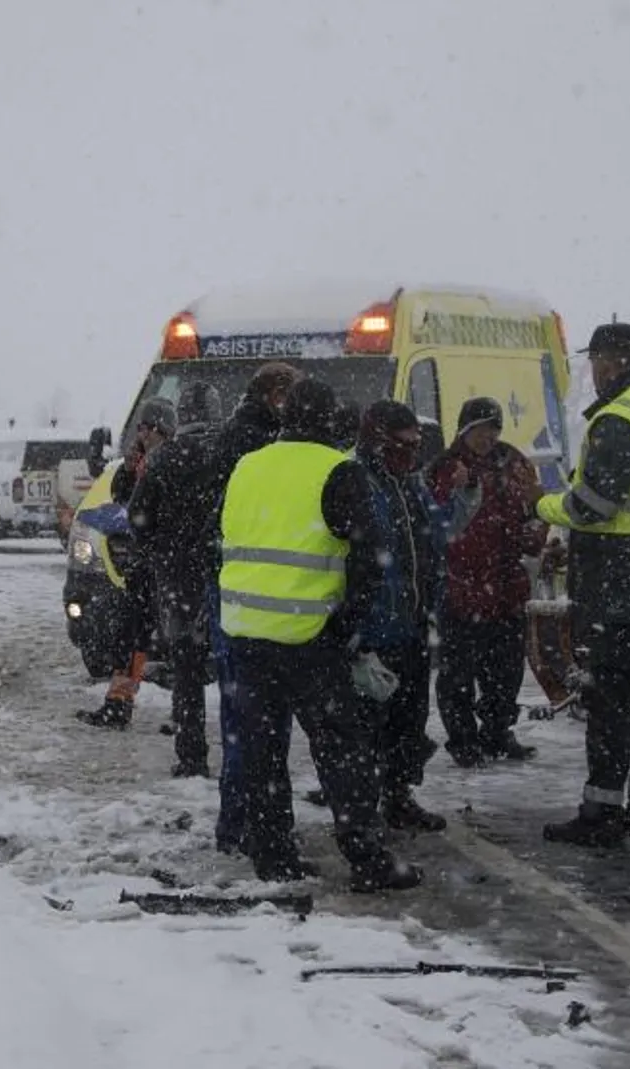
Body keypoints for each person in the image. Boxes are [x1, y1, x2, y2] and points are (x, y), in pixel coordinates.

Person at [216, 377, 420, 891]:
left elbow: (228, 538)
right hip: (310, 638)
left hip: (246, 632)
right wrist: (344, 626)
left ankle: (273, 856)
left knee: (262, 753)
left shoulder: (248, 465)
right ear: (330, 421)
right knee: (341, 751)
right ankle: (367, 857)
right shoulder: (336, 470)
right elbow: (372, 558)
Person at [539, 322, 630, 847]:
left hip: (623, 590)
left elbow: (593, 505)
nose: (593, 371)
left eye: (595, 361)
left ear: (613, 361)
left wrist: (543, 506)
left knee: (611, 704)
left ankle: (601, 814)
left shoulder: (621, 418)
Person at [207, 361, 303, 854]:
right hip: (246, 601)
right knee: (251, 722)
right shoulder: (253, 444)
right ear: (272, 395)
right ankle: (241, 823)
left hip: (241, 596)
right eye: (289, 392)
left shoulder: (248, 438)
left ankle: (243, 821)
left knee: (249, 721)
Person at [426, 397, 547, 766]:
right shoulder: (444, 468)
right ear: (464, 430)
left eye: (493, 429)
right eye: (479, 429)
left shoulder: (515, 464)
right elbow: (433, 523)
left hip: (506, 589)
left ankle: (497, 733)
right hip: (460, 590)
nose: (487, 437)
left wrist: (537, 527)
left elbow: (534, 516)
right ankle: (463, 741)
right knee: (458, 675)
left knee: (506, 671)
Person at [349, 400, 448, 832]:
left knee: (410, 718)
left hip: (411, 621)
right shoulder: (357, 481)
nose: (411, 452)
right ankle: (361, 805)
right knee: (368, 724)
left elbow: (433, 535)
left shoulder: (409, 484)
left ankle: (399, 794)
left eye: (416, 443)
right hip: (373, 625)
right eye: (403, 443)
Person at [128, 382, 224, 777]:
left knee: (186, 673)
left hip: (178, 578)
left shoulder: (165, 459)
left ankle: (191, 756)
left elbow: (139, 518)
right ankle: (246, 756)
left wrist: (161, 551)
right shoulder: (229, 456)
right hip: (227, 575)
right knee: (234, 670)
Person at [78, 399, 176, 730]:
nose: (142, 435)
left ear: (162, 430)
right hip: (138, 567)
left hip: (168, 567)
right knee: (130, 637)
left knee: (178, 643)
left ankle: (183, 717)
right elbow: (123, 499)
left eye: (147, 429)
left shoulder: (176, 461)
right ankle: (118, 704)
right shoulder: (134, 465)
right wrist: (130, 468)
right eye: (140, 429)